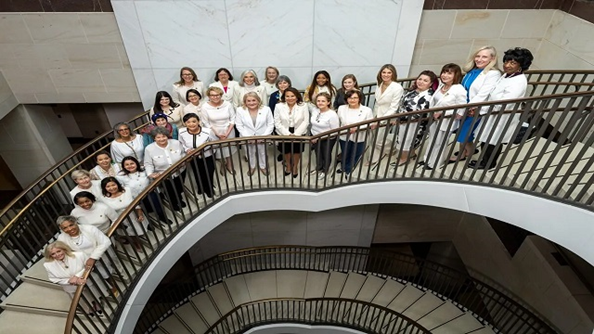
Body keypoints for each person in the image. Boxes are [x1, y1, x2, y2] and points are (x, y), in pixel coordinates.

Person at [470, 47, 534, 170]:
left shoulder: (519, 81)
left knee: (493, 141)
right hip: (492, 112)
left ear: (521, 66)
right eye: (506, 61)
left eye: (513, 63)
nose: (507, 65)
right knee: (486, 139)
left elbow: (506, 102)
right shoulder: (507, 75)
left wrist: (484, 108)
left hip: (501, 115)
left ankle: (488, 164)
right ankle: (485, 161)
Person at [453, 46, 502, 162]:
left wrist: (467, 107)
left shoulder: (493, 74)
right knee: (463, 132)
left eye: (484, 57)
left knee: (464, 134)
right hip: (464, 106)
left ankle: (466, 154)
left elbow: (483, 94)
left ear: (492, 59)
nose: (479, 59)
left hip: (474, 109)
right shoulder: (472, 71)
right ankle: (464, 151)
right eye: (478, 56)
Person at [56, 216, 118, 297]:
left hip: (99, 258)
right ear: (61, 229)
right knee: (93, 278)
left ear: (75, 223)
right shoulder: (61, 238)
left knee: (106, 273)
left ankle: (113, 287)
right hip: (82, 263)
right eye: (65, 228)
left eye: (71, 225)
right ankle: (104, 291)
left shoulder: (89, 229)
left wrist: (93, 257)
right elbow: (66, 252)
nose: (69, 229)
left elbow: (105, 242)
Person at [422, 64, 468, 170]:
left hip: (447, 120)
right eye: (444, 72)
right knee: (433, 140)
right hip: (435, 119)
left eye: (449, 73)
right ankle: (427, 160)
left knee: (440, 142)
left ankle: (435, 163)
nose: (445, 75)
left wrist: (444, 114)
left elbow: (461, 109)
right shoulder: (441, 87)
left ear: (455, 75)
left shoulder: (458, 89)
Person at [43, 242, 101, 315]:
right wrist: (69, 281)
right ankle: (89, 308)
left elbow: (89, 267)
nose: (57, 255)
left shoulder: (79, 255)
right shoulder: (48, 265)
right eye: (53, 254)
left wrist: (77, 277)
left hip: (87, 281)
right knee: (81, 300)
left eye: (59, 251)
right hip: (70, 287)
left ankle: (97, 304)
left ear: (64, 249)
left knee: (94, 294)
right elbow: (53, 279)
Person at [395, 70, 438, 166]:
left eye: (425, 81)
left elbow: (422, 112)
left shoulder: (430, 96)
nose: (421, 82)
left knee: (409, 140)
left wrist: (402, 119)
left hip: (415, 123)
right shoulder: (412, 91)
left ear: (430, 84)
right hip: (403, 120)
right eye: (420, 79)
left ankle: (404, 158)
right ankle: (411, 154)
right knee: (403, 138)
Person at [367, 64, 404, 165]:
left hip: (387, 116)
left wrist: (380, 120)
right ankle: (373, 158)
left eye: (389, 72)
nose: (386, 74)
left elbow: (394, 107)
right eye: (384, 72)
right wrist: (374, 117)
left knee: (378, 140)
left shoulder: (397, 88)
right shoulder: (379, 83)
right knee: (373, 136)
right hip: (376, 112)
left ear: (393, 74)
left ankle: (391, 148)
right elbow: (378, 101)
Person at [117, 156, 172, 225]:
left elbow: (152, 180)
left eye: (132, 163)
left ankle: (162, 216)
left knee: (153, 197)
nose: (130, 166)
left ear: (136, 163)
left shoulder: (144, 170)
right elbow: (123, 191)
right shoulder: (120, 177)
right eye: (127, 165)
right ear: (123, 166)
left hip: (150, 194)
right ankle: (148, 222)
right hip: (136, 199)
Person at [144, 127, 187, 211]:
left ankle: (179, 199)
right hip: (163, 175)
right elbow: (148, 163)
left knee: (179, 187)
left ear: (167, 136)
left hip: (180, 171)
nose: (161, 139)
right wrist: (150, 173)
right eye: (158, 137)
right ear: (154, 138)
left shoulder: (176, 143)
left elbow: (183, 153)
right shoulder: (149, 149)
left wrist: (183, 162)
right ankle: (174, 203)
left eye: (163, 136)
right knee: (169, 191)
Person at [100, 177, 148, 250]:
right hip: (121, 219)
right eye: (108, 186)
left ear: (117, 184)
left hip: (133, 215)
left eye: (113, 185)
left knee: (139, 229)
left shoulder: (127, 190)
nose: (112, 188)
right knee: (129, 233)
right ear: (104, 188)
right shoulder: (103, 198)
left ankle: (140, 237)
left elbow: (136, 203)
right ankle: (136, 243)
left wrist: (140, 214)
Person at [235, 92, 274, 176]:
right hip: (246, 137)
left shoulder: (266, 109)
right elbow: (239, 125)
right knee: (249, 152)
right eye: (248, 101)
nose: (251, 103)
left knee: (262, 152)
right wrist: (249, 137)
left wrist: (262, 137)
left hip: (263, 136)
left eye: (254, 100)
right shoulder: (240, 110)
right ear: (245, 102)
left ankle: (263, 166)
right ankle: (252, 166)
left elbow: (270, 124)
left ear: (258, 101)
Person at [179, 113, 217, 198]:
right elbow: (181, 143)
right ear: (185, 123)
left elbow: (215, 144)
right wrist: (187, 149)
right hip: (193, 157)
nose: (191, 124)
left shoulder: (207, 132)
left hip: (208, 156)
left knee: (209, 172)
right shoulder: (182, 132)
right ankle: (201, 187)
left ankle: (209, 189)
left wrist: (201, 151)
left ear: (198, 122)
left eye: (194, 121)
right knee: (197, 172)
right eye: (188, 122)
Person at [337, 90, 374, 178]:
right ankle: (343, 166)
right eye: (350, 98)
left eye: (355, 98)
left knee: (356, 153)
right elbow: (338, 121)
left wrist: (357, 128)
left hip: (360, 135)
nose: (352, 100)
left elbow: (370, 124)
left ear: (359, 99)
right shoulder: (341, 108)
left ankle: (348, 168)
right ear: (346, 99)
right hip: (345, 135)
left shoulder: (367, 110)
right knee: (345, 152)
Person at [274, 87, 310, 178]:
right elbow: (277, 123)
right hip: (283, 131)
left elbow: (306, 121)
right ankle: (289, 166)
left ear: (297, 97)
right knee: (286, 150)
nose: (290, 98)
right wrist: (288, 134)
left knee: (297, 151)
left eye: (292, 96)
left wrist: (296, 134)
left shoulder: (303, 105)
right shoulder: (279, 106)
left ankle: (295, 167)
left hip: (299, 131)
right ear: (284, 97)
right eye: (287, 96)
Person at [202, 86, 237, 175]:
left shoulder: (227, 104)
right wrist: (217, 134)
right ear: (209, 96)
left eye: (217, 95)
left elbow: (233, 119)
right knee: (218, 149)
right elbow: (205, 122)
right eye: (212, 95)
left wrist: (227, 133)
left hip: (228, 130)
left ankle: (229, 164)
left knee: (228, 148)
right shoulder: (205, 106)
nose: (215, 97)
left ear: (221, 95)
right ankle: (222, 163)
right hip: (214, 131)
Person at [310, 92, 340, 179]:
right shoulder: (315, 110)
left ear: (328, 102)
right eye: (318, 101)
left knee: (326, 154)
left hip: (328, 138)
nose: (320, 103)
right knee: (317, 153)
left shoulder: (332, 115)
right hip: (314, 136)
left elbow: (335, 131)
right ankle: (318, 167)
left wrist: (319, 137)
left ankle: (325, 170)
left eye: (323, 101)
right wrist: (313, 136)